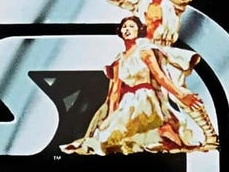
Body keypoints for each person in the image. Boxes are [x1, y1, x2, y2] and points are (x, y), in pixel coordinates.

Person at [63, 15, 214, 155]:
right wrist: (110, 117)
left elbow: (160, 76)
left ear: (139, 30)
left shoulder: (144, 51)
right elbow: (114, 92)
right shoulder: (119, 60)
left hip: (146, 99)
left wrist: (180, 95)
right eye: (124, 27)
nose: (127, 29)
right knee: (107, 138)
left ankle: (198, 137)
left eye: (131, 26)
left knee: (154, 132)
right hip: (126, 103)